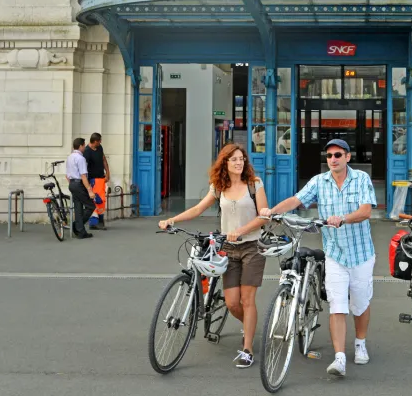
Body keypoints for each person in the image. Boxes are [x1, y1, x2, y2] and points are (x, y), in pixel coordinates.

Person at [260, 138, 375, 378]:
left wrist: (342, 218)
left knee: (360, 303)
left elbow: (365, 211)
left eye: (338, 155)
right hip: (334, 253)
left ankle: (360, 343)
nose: (332, 159)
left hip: (361, 253)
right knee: (337, 304)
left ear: (347, 157)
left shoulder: (361, 179)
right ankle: (339, 357)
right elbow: (296, 200)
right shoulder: (319, 182)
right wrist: (274, 211)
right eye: (329, 155)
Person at [158, 144, 268, 369]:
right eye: (234, 160)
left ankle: (247, 349)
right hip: (228, 248)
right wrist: (172, 220)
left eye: (241, 159)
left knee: (247, 300)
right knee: (231, 303)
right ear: (225, 163)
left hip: (252, 247)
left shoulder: (254, 184)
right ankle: (249, 325)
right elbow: (198, 209)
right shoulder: (219, 187)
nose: (239, 163)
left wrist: (242, 231)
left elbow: (264, 217)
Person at [66, 137, 97, 239]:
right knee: (91, 206)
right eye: (84, 145)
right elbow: (83, 175)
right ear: (80, 146)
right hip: (79, 184)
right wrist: (89, 190)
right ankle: (77, 225)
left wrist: (73, 184)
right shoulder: (80, 158)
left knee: (78, 208)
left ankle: (81, 232)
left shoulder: (70, 157)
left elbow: (67, 175)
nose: (84, 147)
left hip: (72, 184)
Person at [83, 133, 110, 230]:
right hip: (93, 179)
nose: (100, 142)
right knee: (97, 201)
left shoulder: (99, 148)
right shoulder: (87, 152)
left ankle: (99, 221)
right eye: (99, 141)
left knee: (102, 200)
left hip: (101, 178)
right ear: (95, 141)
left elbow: (103, 159)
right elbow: (84, 167)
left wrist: (107, 172)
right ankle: (95, 222)